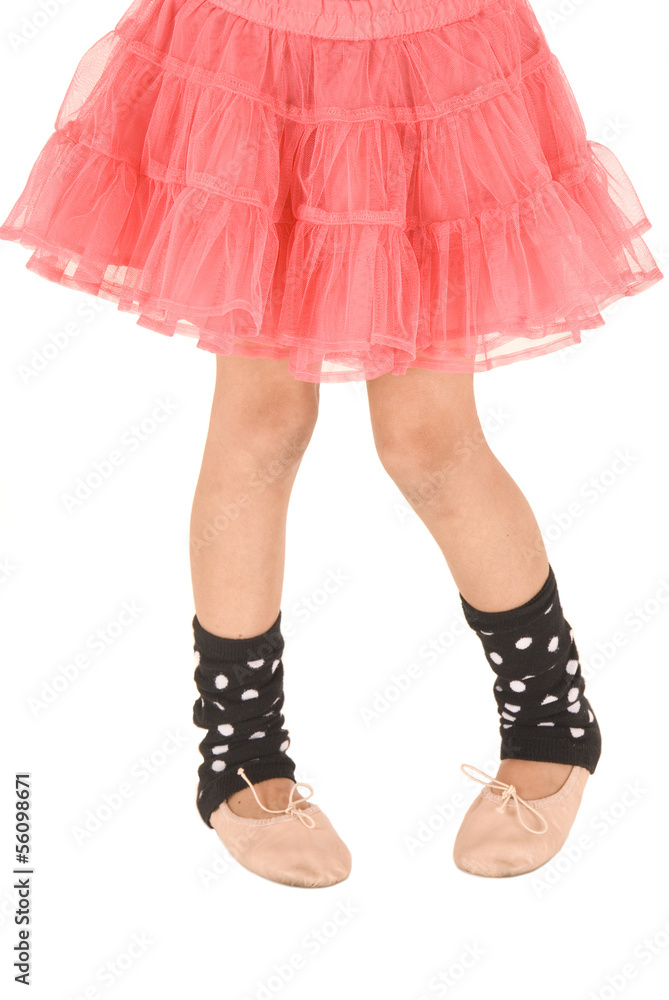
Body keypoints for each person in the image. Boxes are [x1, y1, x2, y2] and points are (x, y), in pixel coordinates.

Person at [0, 0, 663, 886]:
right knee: (260, 422)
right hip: (254, 47)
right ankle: (240, 749)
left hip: (429, 49)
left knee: (427, 441)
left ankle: (551, 717)